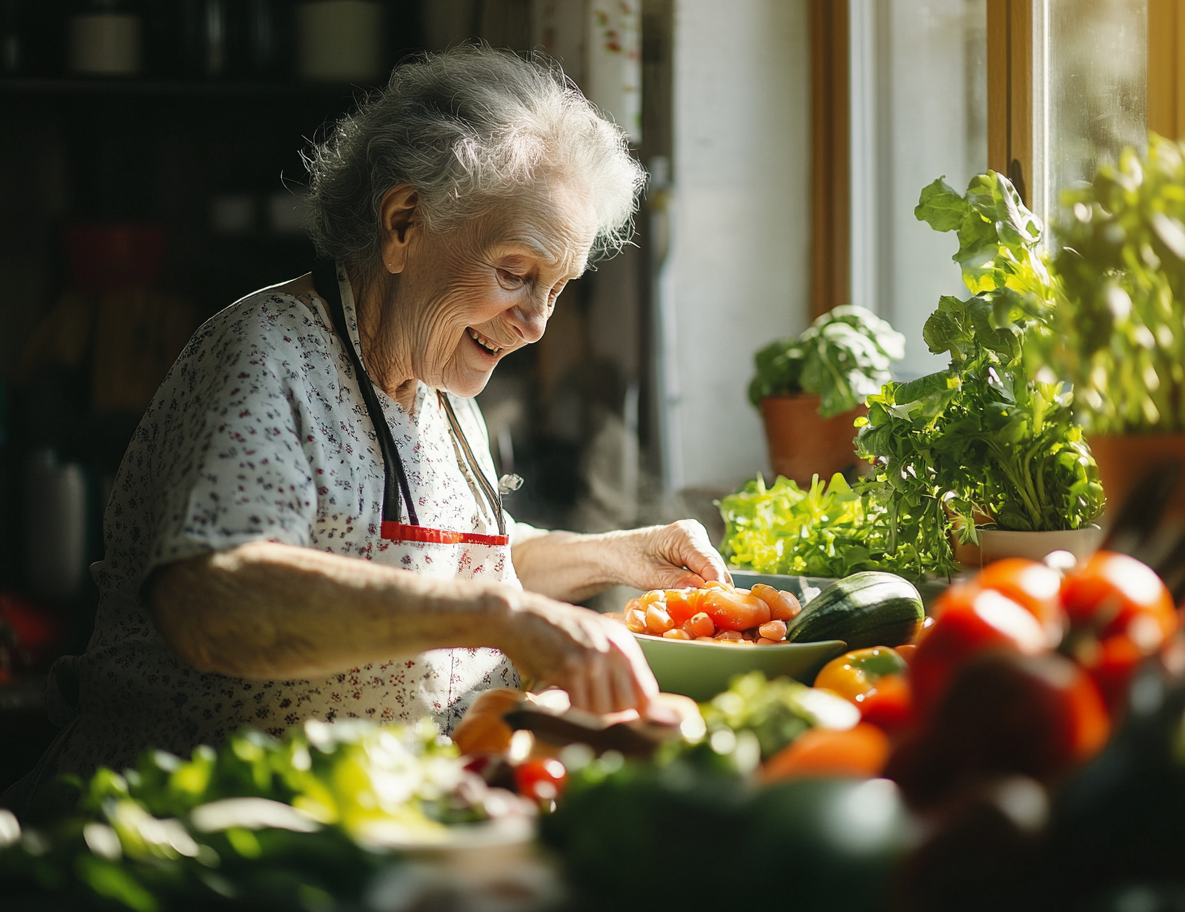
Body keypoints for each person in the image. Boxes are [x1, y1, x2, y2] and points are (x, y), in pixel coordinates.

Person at [4, 47, 728, 809]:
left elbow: (457, 561)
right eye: (516, 273)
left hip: (379, 814)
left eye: (556, 288)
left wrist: (619, 555)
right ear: (404, 223)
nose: (537, 323)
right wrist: (505, 617)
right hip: (195, 824)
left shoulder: (444, 389)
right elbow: (212, 600)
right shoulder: (266, 356)